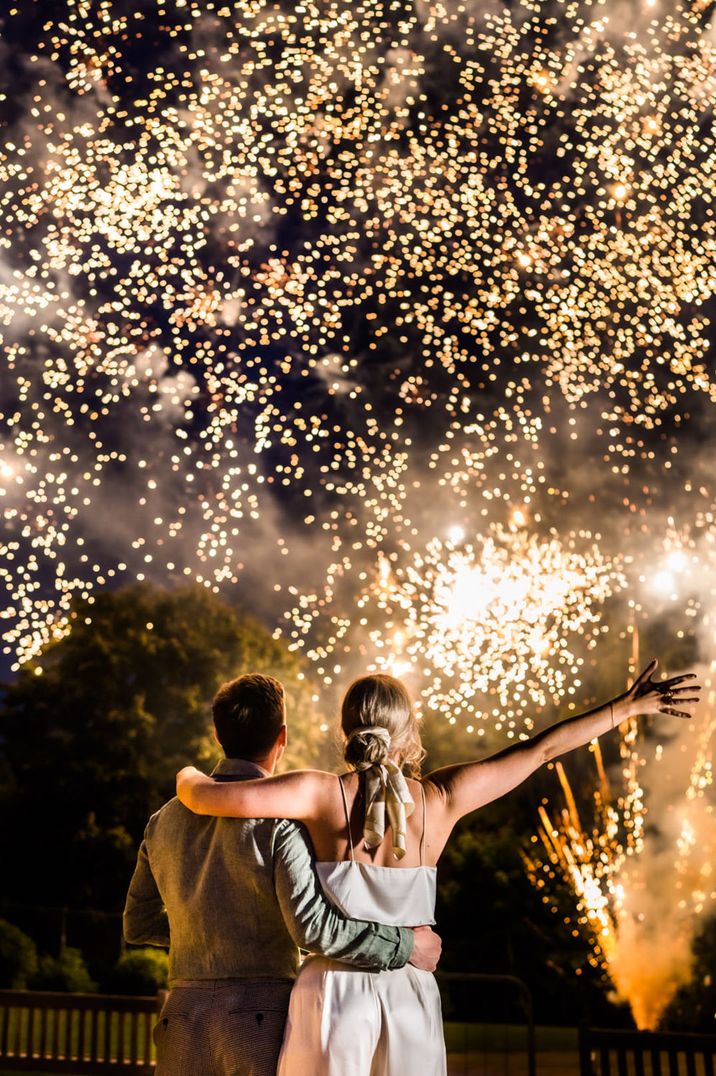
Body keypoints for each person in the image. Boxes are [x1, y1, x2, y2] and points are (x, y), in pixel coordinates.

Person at [177, 657, 700, 1075]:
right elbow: (542, 750)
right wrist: (626, 708)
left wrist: (185, 774)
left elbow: (204, 798)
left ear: (347, 731)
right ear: (407, 733)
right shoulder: (442, 799)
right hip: (408, 990)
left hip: (330, 993)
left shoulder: (317, 793)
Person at [124, 672, 441, 1076]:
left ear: (219, 734)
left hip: (183, 1015)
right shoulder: (282, 821)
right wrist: (404, 946)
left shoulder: (163, 820)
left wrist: (204, 933)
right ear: (282, 737)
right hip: (259, 1019)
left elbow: (138, 924)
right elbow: (312, 928)